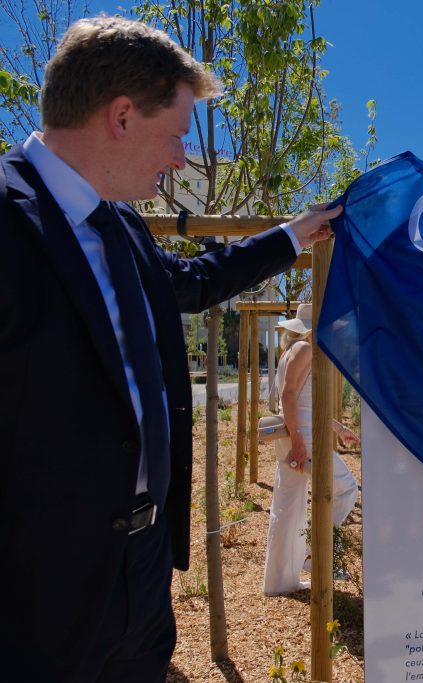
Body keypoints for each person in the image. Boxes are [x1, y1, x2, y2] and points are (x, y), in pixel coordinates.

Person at [0, 17, 341, 682]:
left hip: (144, 569)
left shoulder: (118, 219)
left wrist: (293, 235)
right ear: (121, 115)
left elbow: (188, 282)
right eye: (179, 132)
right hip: (38, 588)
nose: (183, 156)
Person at [263, 303, 360, 595]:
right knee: (345, 488)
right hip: (303, 437)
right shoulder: (305, 350)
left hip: (299, 433)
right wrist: (299, 443)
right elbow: (289, 396)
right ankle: (311, 553)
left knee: (288, 505)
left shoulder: (294, 352)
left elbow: (305, 403)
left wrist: (338, 429)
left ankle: (281, 581)